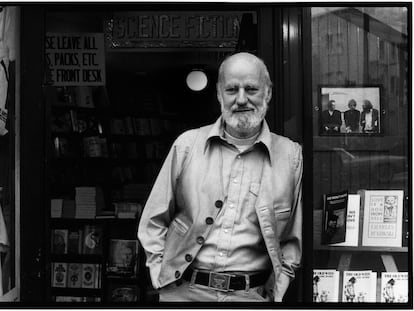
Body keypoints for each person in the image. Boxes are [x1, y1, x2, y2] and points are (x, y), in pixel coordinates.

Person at [138, 52, 303, 302]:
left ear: (267, 93)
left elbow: (292, 240)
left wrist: (277, 290)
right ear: (218, 94)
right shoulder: (187, 146)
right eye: (231, 89)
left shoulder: (290, 156)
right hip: (184, 294)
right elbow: (153, 221)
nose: (241, 99)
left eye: (251, 89)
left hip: (251, 298)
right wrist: (162, 277)